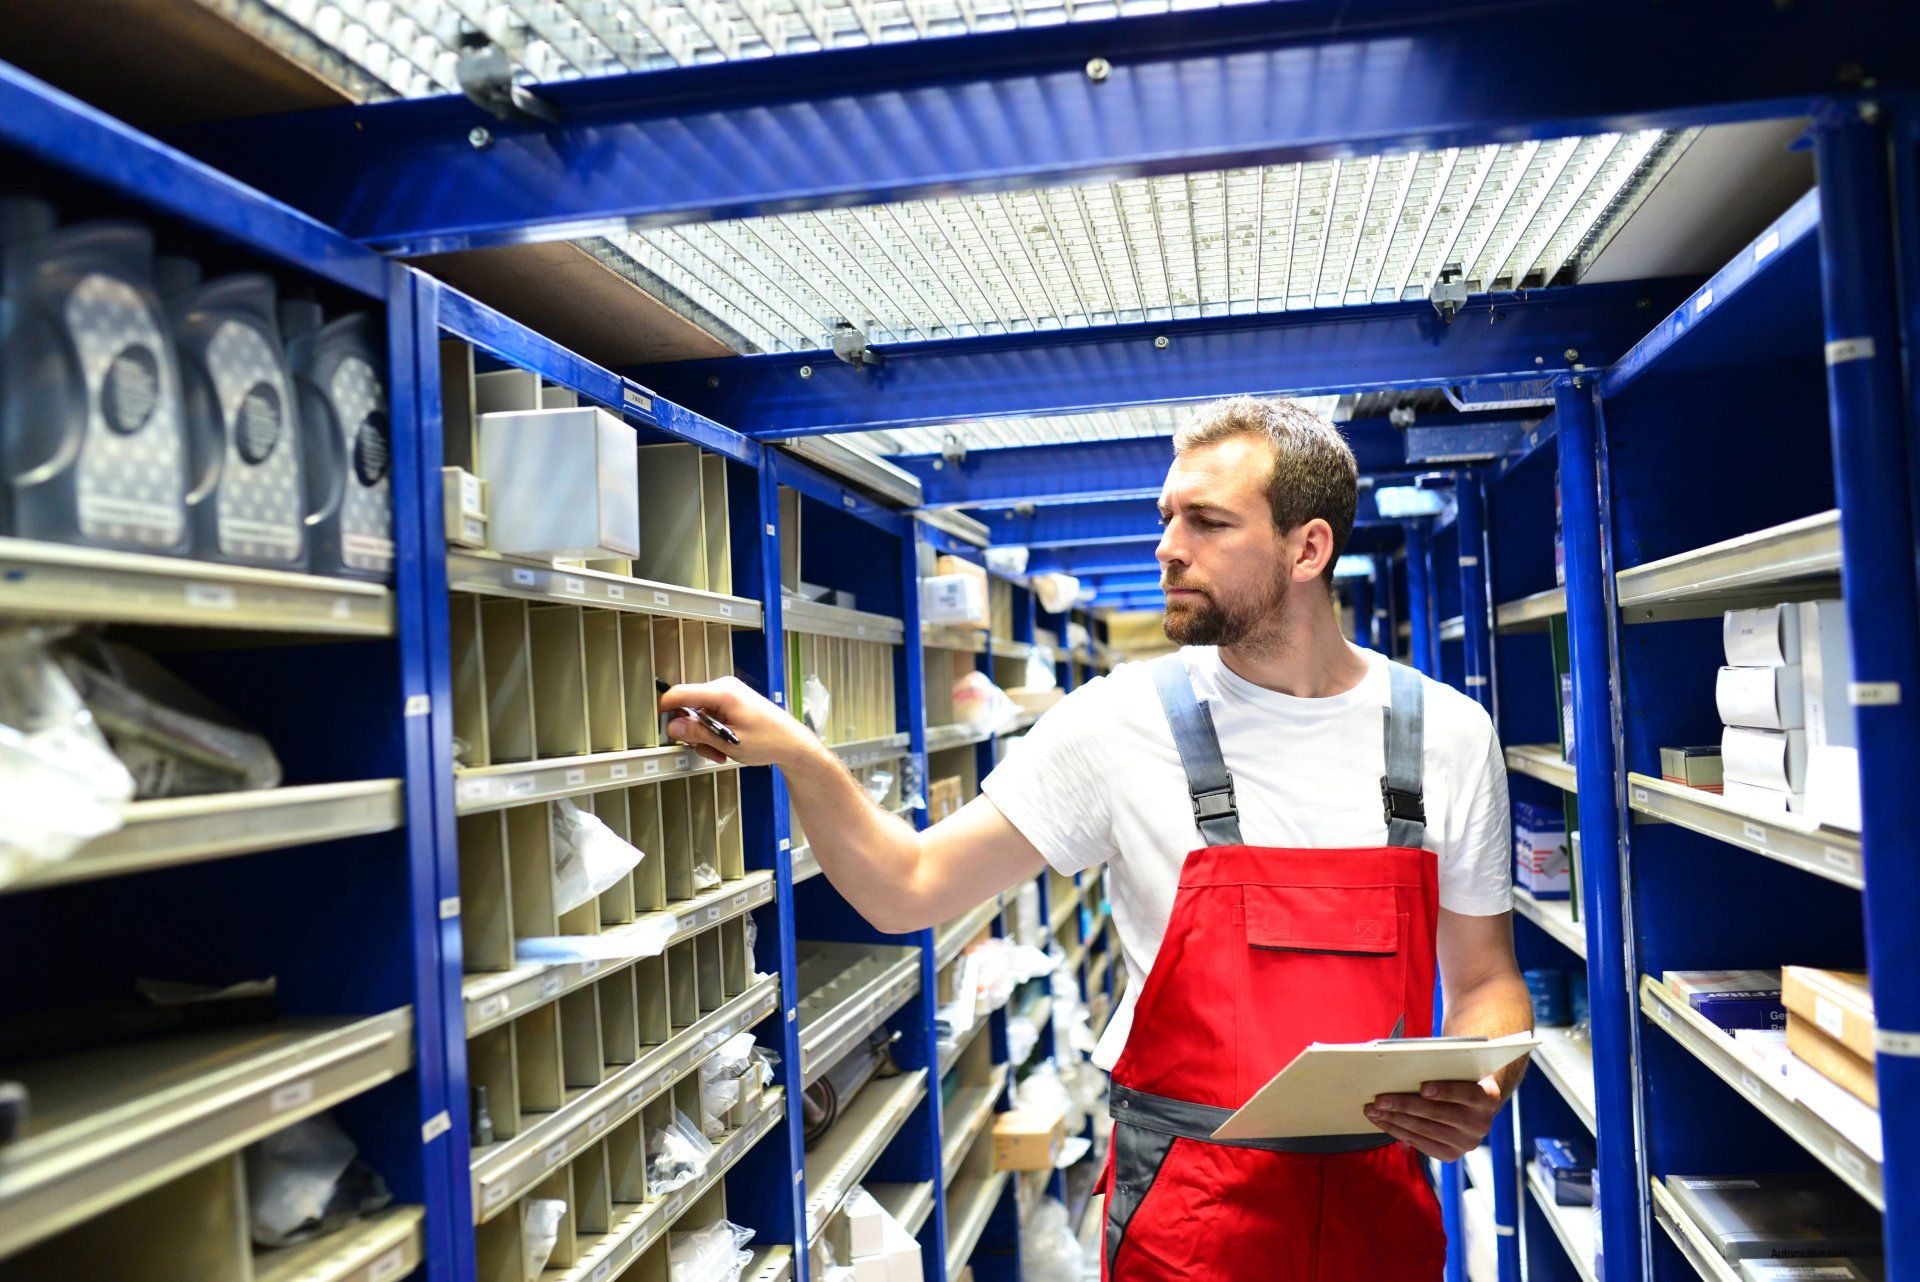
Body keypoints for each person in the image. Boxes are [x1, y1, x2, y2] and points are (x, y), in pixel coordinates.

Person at [659, 396, 1530, 1280]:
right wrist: (800, 755)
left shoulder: (1446, 738)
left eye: (1208, 522)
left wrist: (1483, 1088)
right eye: (1166, 518)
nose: (1167, 547)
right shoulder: (1122, 723)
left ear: (1308, 548)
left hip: (1377, 1209)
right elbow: (907, 887)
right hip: (1188, 1214)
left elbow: (1488, 982)